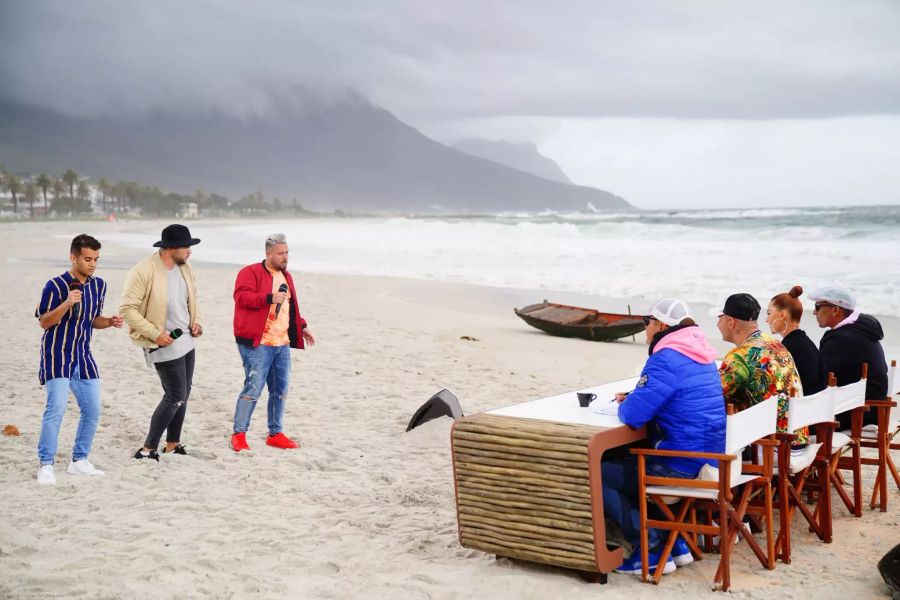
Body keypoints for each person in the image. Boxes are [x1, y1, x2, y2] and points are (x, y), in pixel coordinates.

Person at [603, 298, 726, 575]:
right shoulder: (703, 356)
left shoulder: (665, 358)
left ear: (660, 325)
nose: (645, 328)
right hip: (712, 460)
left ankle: (650, 548)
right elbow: (678, 396)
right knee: (628, 463)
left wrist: (628, 403)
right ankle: (677, 542)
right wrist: (639, 396)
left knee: (600, 473)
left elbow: (633, 417)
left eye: (646, 322)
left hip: (680, 466)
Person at [34, 234, 123, 485]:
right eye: (87, 259)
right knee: (56, 410)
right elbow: (44, 322)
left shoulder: (98, 286)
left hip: (83, 356)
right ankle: (46, 464)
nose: (92, 264)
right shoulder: (55, 285)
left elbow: (93, 320)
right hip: (56, 355)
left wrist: (110, 322)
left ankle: (79, 461)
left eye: (96, 259)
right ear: (73, 257)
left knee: (93, 409)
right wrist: (66, 303)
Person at [120, 224, 203, 460]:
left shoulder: (184, 268)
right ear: (171, 248)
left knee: (184, 393)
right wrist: (155, 334)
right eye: (186, 246)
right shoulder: (144, 270)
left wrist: (196, 322)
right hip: (162, 343)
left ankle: (172, 444)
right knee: (174, 394)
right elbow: (127, 309)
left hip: (186, 340)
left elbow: (192, 299)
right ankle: (147, 450)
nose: (189, 251)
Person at [230, 233, 315, 452]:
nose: (285, 257)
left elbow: (290, 307)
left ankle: (275, 433)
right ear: (268, 253)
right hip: (257, 342)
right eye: (280, 253)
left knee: (280, 390)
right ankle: (239, 434)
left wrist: (302, 326)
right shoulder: (249, 272)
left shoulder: (287, 276)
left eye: (287, 253)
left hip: (282, 342)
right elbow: (241, 297)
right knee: (253, 388)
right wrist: (269, 297)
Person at [717, 292, 807, 445]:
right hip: (797, 439)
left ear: (730, 322)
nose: (717, 323)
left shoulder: (741, 355)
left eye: (719, 318)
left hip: (771, 447)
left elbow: (713, 394)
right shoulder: (774, 343)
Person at [809, 286, 888, 429]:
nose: (814, 312)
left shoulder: (842, 339)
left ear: (835, 310)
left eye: (818, 307)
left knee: (788, 421)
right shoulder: (860, 329)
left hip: (858, 414)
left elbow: (817, 379)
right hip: (871, 409)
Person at [766, 285, 827, 396]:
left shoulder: (786, 350)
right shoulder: (806, 342)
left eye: (769, 313)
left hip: (801, 410)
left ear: (782, 315)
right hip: (816, 408)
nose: (766, 320)